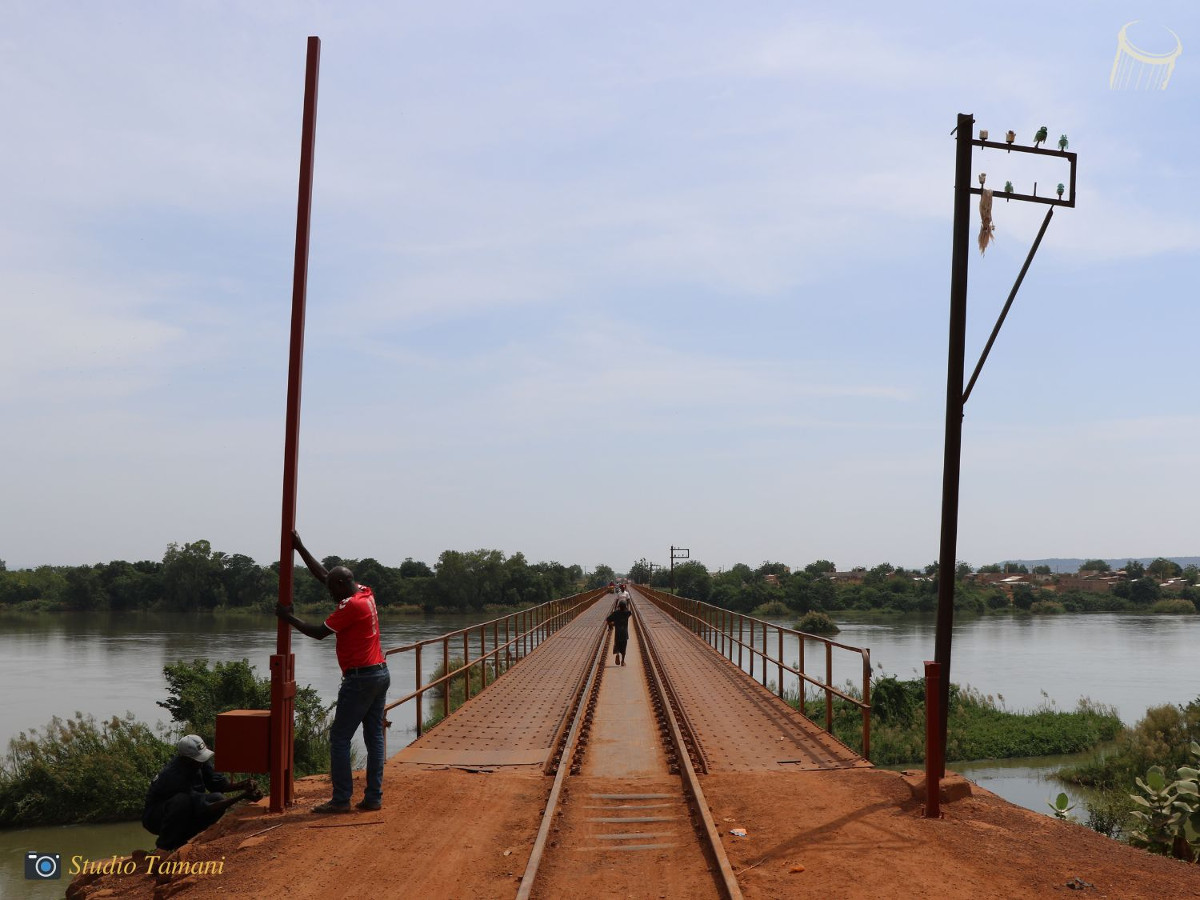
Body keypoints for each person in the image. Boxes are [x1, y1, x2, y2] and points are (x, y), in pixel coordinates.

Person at [276, 530, 390, 814]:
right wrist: (301, 548)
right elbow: (327, 575)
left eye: (331, 588)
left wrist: (287, 616)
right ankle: (373, 797)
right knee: (374, 737)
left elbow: (317, 633)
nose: (328, 591)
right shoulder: (365, 592)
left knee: (339, 738)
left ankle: (341, 800)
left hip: (360, 678)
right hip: (380, 673)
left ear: (341, 585)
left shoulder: (351, 607)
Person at [142, 735, 261, 851]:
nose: (202, 761)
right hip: (156, 817)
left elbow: (218, 784)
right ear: (186, 759)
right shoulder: (174, 776)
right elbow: (205, 807)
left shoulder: (200, 762)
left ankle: (183, 840)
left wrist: (243, 785)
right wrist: (242, 796)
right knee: (182, 801)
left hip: (184, 808)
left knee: (217, 797)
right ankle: (164, 847)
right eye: (199, 759)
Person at [605, 598, 633, 667]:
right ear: (625, 606)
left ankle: (617, 654)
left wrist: (611, 625)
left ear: (619, 606)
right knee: (624, 647)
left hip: (618, 633)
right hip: (624, 633)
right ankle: (622, 661)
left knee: (617, 645)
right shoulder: (627, 613)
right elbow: (630, 612)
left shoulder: (616, 613)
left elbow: (608, 619)